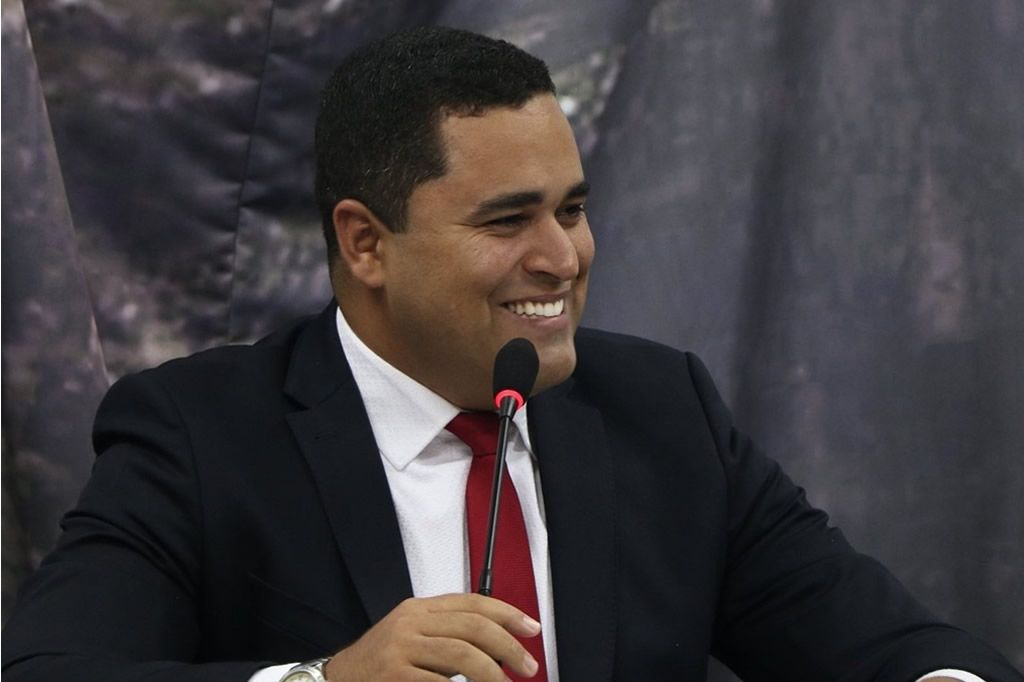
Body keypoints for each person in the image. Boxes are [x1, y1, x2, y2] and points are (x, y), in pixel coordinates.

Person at [2, 26, 1021, 682]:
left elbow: (886, 648)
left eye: (572, 209)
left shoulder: (662, 411)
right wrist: (325, 680)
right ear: (365, 244)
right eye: (507, 220)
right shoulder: (201, 434)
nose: (563, 257)